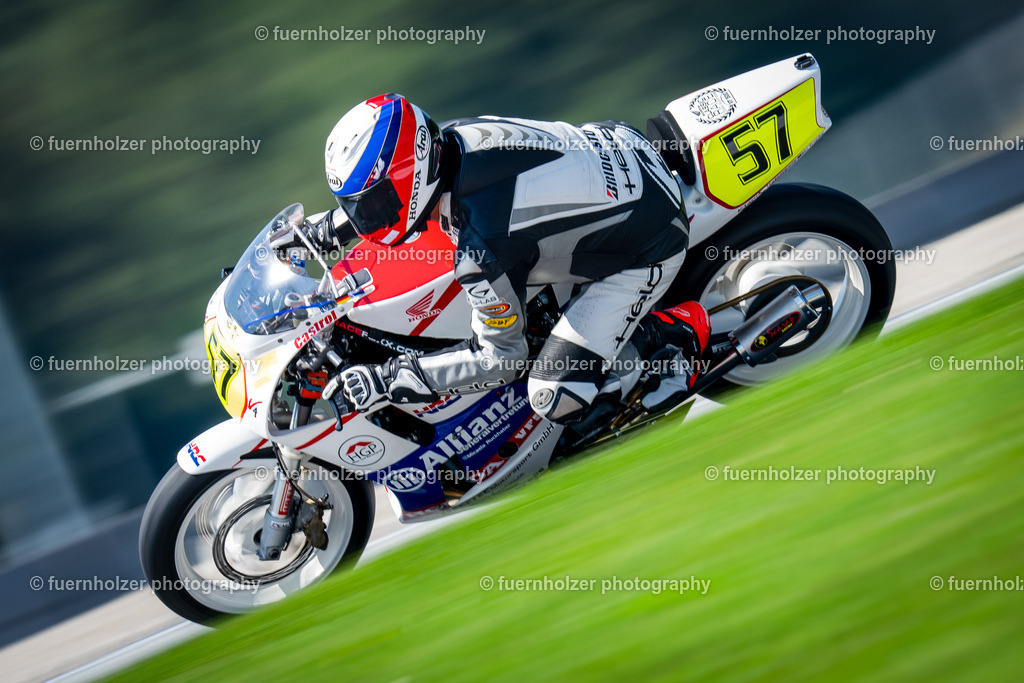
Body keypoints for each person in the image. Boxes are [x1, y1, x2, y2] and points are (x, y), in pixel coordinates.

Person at [283, 93, 711, 430]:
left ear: (409, 176)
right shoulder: (451, 140)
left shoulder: (480, 248)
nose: (366, 218)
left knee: (552, 394)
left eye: (372, 204)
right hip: (621, 146)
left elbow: (501, 360)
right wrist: (320, 232)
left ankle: (672, 340)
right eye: (355, 206)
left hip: (652, 239)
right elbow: (407, 196)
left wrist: (389, 379)